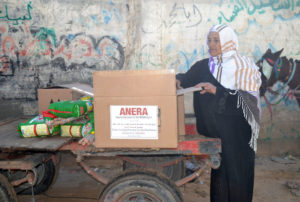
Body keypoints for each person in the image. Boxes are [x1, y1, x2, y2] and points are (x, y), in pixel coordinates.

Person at [176, 24, 261, 202]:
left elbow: (249, 103)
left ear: (228, 42)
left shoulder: (244, 67)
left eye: (217, 40)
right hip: (216, 134)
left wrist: (216, 91)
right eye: (209, 40)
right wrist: (178, 79)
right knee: (220, 176)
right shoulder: (204, 66)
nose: (211, 45)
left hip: (238, 136)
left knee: (237, 176)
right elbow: (186, 78)